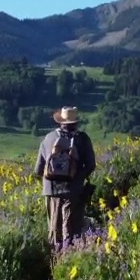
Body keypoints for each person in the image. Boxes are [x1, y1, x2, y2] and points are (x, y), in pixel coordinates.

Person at [34, 106, 96, 251]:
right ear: (76, 123)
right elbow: (91, 165)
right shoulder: (82, 139)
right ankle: (70, 256)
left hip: (51, 191)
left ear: (60, 121)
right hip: (73, 190)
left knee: (54, 227)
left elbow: (38, 169)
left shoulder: (49, 138)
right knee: (72, 227)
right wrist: (78, 177)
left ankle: (53, 257)